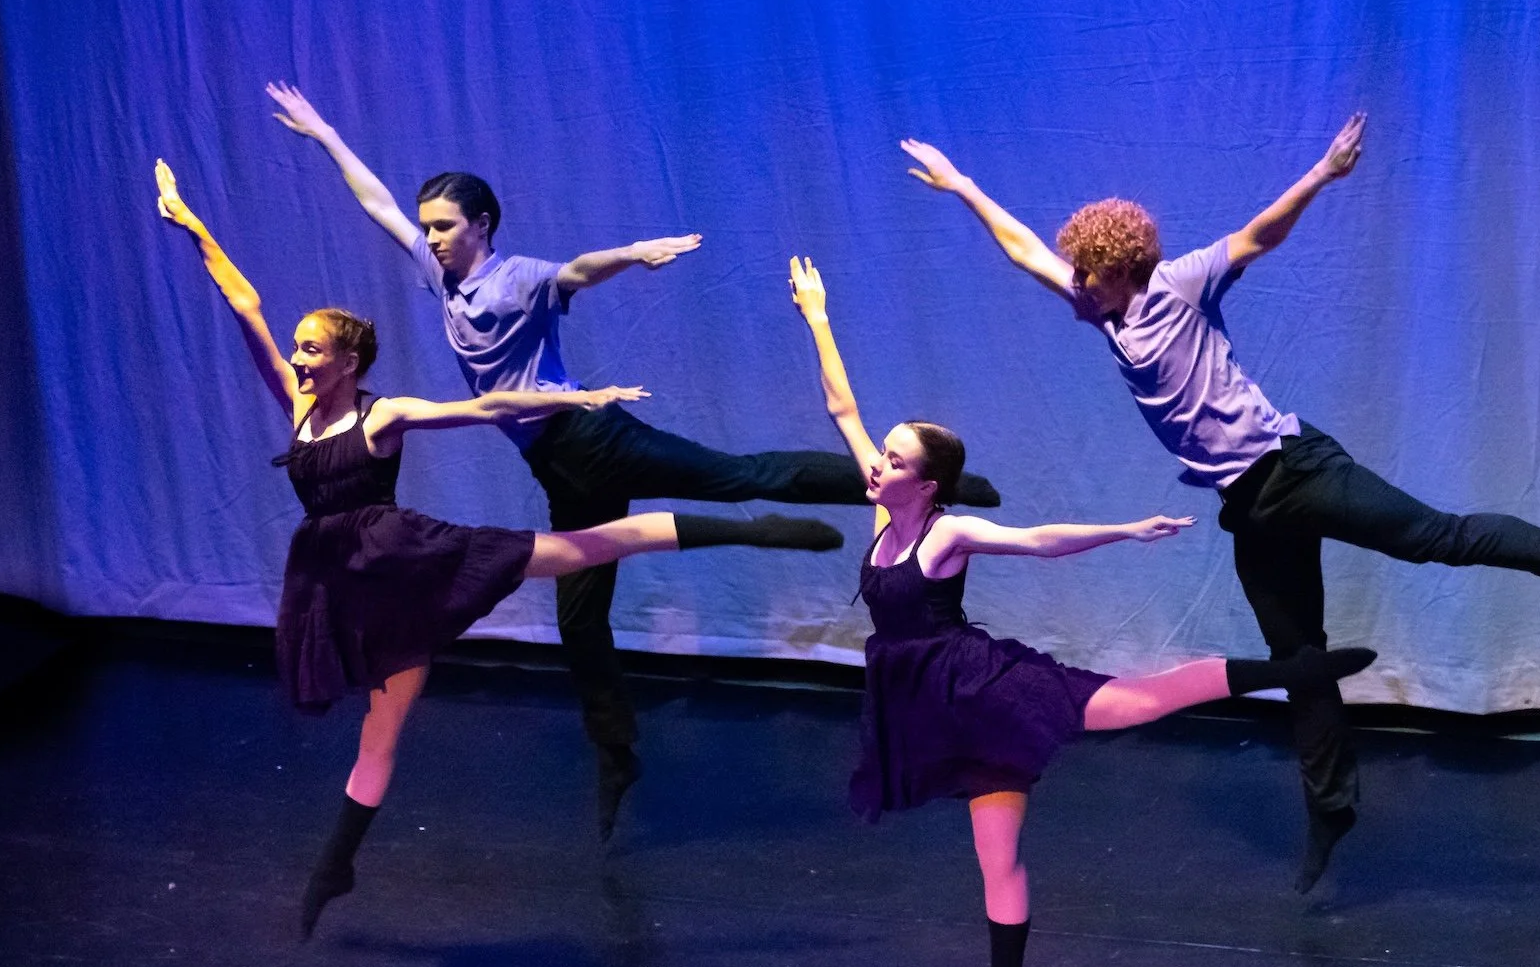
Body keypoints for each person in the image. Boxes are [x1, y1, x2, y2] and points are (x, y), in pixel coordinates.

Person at [899, 115, 1540, 893]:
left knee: (1438, 538)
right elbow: (1024, 250)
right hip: (1250, 507)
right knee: (1299, 659)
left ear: (1122, 270)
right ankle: (1331, 808)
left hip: (1297, 468)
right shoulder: (1104, 315)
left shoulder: (1179, 283)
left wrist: (1321, 173)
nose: (1072, 283)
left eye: (1086, 273)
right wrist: (962, 184)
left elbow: (1257, 236)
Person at [265, 85, 997, 844]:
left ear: (481, 225)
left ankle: (951, 486)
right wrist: (324, 133)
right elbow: (377, 203)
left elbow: (577, 272)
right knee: (579, 622)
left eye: (445, 226)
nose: (433, 238)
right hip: (558, 467)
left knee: (740, 475)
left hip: (596, 440)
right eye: (429, 229)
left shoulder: (516, 277)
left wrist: (630, 253)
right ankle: (617, 757)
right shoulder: (437, 271)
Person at [155, 161, 842, 940]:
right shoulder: (297, 405)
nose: (299, 358)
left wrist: (581, 394)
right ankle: (338, 863)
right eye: (296, 349)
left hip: (408, 562)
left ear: (349, 361)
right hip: (346, 588)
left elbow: (486, 405)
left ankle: (758, 527)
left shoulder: (386, 413)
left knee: (578, 550)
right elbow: (244, 300)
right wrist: (192, 222)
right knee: (387, 730)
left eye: (312, 349)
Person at [788, 256, 1374, 967]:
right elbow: (842, 406)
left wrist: (1125, 530)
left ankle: (1291, 671)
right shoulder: (886, 510)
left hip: (980, 689)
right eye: (881, 454)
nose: (876, 463)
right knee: (996, 857)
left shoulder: (945, 531)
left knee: (1133, 703)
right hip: (929, 710)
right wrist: (818, 315)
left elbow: (1038, 541)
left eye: (892, 458)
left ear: (925, 485)